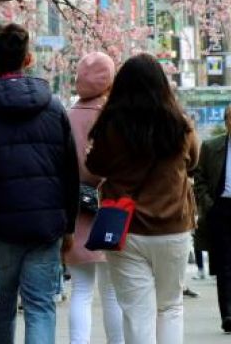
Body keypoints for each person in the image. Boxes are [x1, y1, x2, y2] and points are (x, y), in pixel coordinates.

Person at [0, 23, 79, 344]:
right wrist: (68, 225)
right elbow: (69, 171)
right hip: (45, 224)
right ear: (28, 59)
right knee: (40, 306)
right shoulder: (53, 108)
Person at [87, 54, 198, 344]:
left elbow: (95, 165)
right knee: (170, 306)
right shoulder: (180, 125)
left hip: (126, 227)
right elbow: (193, 160)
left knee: (137, 312)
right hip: (173, 226)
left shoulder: (111, 126)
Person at [65, 53, 124, 344]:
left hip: (76, 209)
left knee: (81, 290)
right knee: (112, 291)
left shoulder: (67, 115)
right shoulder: (114, 115)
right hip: (111, 208)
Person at [194, 105, 231, 332]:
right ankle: (227, 314)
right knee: (225, 266)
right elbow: (199, 179)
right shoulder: (211, 146)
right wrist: (210, 205)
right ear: (227, 122)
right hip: (222, 209)